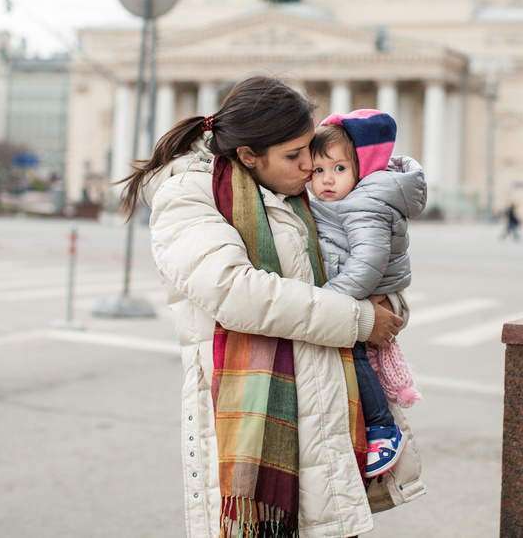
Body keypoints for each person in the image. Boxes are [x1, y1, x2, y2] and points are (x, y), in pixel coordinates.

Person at [118, 77, 424, 538]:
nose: (310, 166)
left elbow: (375, 265)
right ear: (247, 155)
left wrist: (386, 304)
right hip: (258, 419)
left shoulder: (301, 191)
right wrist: (361, 320)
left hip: (331, 417)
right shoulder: (189, 196)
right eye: (293, 155)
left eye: (310, 149)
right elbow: (237, 294)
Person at [308, 110, 426, 480]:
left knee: (354, 354)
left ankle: (380, 427)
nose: (327, 179)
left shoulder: (365, 204)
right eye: (317, 170)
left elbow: (368, 261)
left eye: (339, 169)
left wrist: (332, 300)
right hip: (359, 292)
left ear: (363, 168)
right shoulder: (346, 198)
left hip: (364, 291)